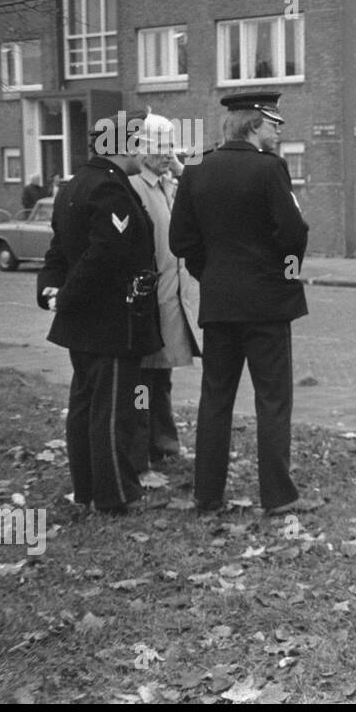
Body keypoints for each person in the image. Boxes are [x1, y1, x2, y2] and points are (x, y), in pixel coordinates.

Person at [169, 92, 318, 516]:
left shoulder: (196, 167)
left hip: (219, 303)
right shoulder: (270, 169)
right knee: (272, 400)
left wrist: (209, 273)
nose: (278, 131)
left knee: (215, 398)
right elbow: (293, 232)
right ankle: (278, 496)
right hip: (267, 305)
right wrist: (285, 275)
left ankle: (207, 495)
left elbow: (181, 241)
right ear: (253, 125)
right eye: (273, 124)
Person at [36, 112, 163, 513]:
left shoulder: (74, 185)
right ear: (120, 146)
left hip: (83, 322)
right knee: (112, 411)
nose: (142, 148)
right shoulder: (110, 188)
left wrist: (51, 290)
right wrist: (67, 295)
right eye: (137, 141)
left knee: (85, 406)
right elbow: (105, 253)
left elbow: (59, 250)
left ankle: (88, 489)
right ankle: (114, 496)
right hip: (111, 321)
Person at [129, 114, 201, 471]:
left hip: (173, 298)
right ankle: (144, 444)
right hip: (150, 300)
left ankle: (164, 440)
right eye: (157, 148)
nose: (164, 154)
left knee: (163, 375)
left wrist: (181, 169)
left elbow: (203, 196)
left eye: (169, 148)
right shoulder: (136, 188)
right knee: (144, 378)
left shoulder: (171, 185)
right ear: (140, 150)